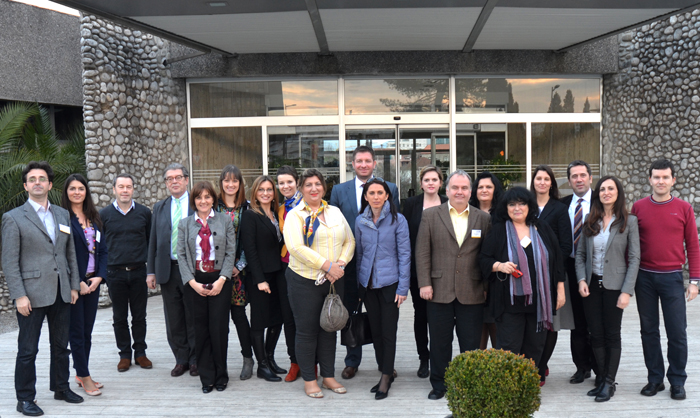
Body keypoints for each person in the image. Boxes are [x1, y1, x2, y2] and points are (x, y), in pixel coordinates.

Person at [3, 161, 83, 416]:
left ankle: (61, 387)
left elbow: (70, 253)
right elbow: (9, 261)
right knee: (28, 349)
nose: (37, 182)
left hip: (61, 291)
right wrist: (19, 295)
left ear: (49, 184)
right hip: (32, 295)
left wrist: (73, 285)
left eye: (42, 178)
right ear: (26, 185)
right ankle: (25, 398)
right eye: (32, 179)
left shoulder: (62, 214)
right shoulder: (13, 218)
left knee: (61, 345)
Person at [415, 169, 491, 400]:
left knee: (470, 344)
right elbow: (422, 252)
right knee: (439, 342)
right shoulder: (430, 215)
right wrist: (425, 283)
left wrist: (487, 287)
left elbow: (487, 255)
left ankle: (469, 385)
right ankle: (440, 384)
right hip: (438, 290)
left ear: (471, 192)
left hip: (472, 290)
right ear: (446, 190)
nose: (459, 192)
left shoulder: (483, 218)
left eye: (464, 188)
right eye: (455, 188)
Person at [284, 168, 355, 398]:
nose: (313, 188)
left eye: (317, 184)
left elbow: (349, 240)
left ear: (324, 187)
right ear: (301, 189)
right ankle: (309, 379)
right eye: (308, 185)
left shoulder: (334, 211)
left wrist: (340, 265)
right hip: (305, 281)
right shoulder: (295, 215)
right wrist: (327, 265)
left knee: (329, 328)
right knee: (306, 331)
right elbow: (296, 247)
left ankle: (328, 376)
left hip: (334, 280)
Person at [632, 159, 699, 401]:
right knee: (648, 331)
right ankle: (655, 379)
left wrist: (695, 280)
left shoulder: (684, 208)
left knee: (677, 332)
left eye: (665, 177)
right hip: (645, 278)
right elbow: (631, 245)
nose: (660, 181)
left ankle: (678, 380)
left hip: (672, 277)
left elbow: (693, 244)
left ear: (673, 180)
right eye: (656, 177)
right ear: (649, 179)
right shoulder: (638, 208)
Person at [330, 145, 399, 380]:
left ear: (374, 163)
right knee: (352, 313)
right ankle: (352, 361)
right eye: (359, 161)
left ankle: (384, 364)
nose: (363, 165)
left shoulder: (389, 188)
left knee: (382, 318)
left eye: (367, 161)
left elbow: (393, 221)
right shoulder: (339, 191)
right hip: (349, 265)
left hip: (381, 267)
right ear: (352, 164)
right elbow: (333, 225)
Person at [479, 187, 566, 374]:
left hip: (539, 303)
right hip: (509, 303)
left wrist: (560, 290)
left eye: (522, 203)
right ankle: (509, 389)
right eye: (512, 204)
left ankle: (528, 387)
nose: (517, 208)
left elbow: (558, 260)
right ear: (506, 208)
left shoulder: (542, 228)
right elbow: (483, 259)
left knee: (535, 347)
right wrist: (499, 266)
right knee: (509, 348)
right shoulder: (499, 231)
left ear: (529, 206)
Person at [576, 176, 640, 402]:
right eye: (602, 189)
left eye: (610, 188)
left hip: (615, 286)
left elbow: (634, 258)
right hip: (592, 285)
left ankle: (609, 381)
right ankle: (602, 379)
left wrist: (627, 291)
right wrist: (581, 279)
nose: (606, 192)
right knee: (596, 335)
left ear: (618, 192)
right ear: (598, 194)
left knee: (612, 334)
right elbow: (581, 255)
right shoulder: (589, 220)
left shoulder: (629, 221)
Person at [177, 181, 236, 393]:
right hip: (195, 280)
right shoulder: (184, 224)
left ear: (213, 199)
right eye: (199, 197)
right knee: (200, 331)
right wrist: (192, 283)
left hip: (219, 278)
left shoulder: (224, 221)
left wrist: (222, 280)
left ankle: (221, 375)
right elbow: (181, 255)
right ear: (194, 201)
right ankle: (206, 377)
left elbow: (231, 252)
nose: (203, 201)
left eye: (207, 197)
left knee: (218, 329)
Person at [355, 178, 411, 400]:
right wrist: (359, 287)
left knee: (388, 333)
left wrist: (403, 287)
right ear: (366, 196)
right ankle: (386, 368)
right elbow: (359, 254)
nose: (376, 196)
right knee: (376, 332)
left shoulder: (398, 220)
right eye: (372, 193)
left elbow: (405, 255)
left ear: (387, 195)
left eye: (380, 192)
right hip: (368, 286)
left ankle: (386, 376)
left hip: (390, 285)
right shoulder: (360, 221)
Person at [241, 175, 294, 382]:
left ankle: (270, 358)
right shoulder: (250, 215)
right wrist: (259, 279)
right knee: (259, 321)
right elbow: (250, 250)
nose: (265, 193)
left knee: (278, 318)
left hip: (278, 274)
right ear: (254, 192)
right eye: (261, 189)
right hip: (260, 277)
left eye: (269, 189)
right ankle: (262, 364)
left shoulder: (276, 214)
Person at [147, 163, 197, 378]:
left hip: (193, 271)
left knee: (193, 316)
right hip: (168, 270)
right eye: (169, 178)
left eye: (178, 177)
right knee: (174, 318)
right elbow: (153, 241)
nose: (174, 181)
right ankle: (181, 359)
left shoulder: (197, 204)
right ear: (166, 183)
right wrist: (151, 271)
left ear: (186, 180)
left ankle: (196, 360)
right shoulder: (159, 207)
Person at [100, 173, 153, 372]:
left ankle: (140, 352)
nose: (124, 190)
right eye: (120, 186)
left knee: (139, 316)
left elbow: (150, 242)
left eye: (128, 186)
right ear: (113, 189)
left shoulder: (144, 213)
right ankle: (124, 355)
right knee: (119, 317)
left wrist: (151, 271)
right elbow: (100, 246)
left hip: (139, 272)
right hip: (115, 273)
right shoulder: (104, 215)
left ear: (133, 189)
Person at [61, 174, 108, 397]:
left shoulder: (94, 217)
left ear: (86, 192)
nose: (77, 192)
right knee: (77, 333)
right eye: (73, 189)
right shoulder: (62, 219)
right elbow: (60, 254)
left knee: (87, 332)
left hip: (93, 282)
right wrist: (76, 281)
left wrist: (99, 277)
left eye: (81, 188)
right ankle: (84, 376)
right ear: (66, 192)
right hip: (75, 286)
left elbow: (104, 251)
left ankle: (82, 372)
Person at [530, 165, 574, 386]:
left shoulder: (559, 208)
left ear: (551, 183)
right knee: (532, 322)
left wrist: (550, 264)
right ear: (533, 182)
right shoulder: (525, 206)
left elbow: (566, 246)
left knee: (551, 324)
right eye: (539, 178)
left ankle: (541, 365)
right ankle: (532, 361)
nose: (542, 182)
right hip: (526, 276)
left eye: (546, 179)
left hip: (552, 275)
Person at [402, 165, 447, 379]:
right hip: (416, 270)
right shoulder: (411, 205)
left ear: (440, 182)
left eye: (434, 179)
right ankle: (424, 358)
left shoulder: (449, 203)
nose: (430, 183)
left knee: (440, 317)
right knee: (421, 316)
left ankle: (440, 358)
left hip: (444, 270)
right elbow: (404, 237)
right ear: (421, 183)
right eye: (426, 180)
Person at [216, 165, 254, 380]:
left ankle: (248, 358)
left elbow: (250, 242)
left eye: (235, 181)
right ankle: (218, 362)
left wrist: (238, 266)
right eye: (226, 180)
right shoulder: (213, 207)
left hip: (238, 272)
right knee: (218, 319)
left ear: (240, 184)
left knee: (239, 316)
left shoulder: (247, 208)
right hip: (215, 272)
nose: (230, 185)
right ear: (221, 182)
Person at [561, 160, 596, 384]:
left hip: (597, 271)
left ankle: (600, 367)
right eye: (574, 176)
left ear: (590, 178)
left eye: (583, 175)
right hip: (570, 268)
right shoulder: (562, 205)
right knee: (578, 323)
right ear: (569, 180)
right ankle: (581, 367)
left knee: (597, 322)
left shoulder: (602, 202)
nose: (579, 179)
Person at [468, 171, 504, 351]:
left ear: (495, 190)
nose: (484, 190)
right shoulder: (467, 212)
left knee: (496, 324)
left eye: (488, 187)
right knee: (477, 323)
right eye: (480, 187)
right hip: (471, 275)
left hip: (496, 277)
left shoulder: (504, 214)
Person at [276, 165, 303, 381]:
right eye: (282, 183)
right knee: (289, 316)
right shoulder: (279, 209)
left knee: (308, 316)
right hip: (286, 265)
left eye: (289, 182)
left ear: (297, 182)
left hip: (308, 266)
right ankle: (294, 361)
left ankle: (310, 361)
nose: (286, 186)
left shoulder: (308, 205)